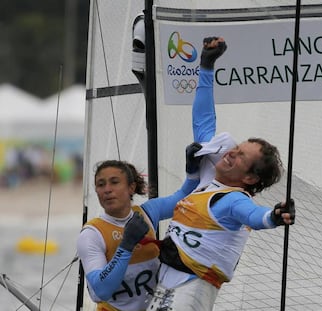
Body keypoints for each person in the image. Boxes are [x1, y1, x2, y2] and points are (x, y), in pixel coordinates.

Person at [146, 37, 296, 311]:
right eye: (236, 148)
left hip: (190, 288)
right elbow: (203, 119)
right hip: (164, 280)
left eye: (240, 156)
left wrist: (274, 217)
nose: (230, 153)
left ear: (249, 178)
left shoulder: (235, 200)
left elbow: (254, 216)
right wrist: (206, 65)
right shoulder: (211, 171)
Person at [76, 153, 201, 311]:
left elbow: (186, 197)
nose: (107, 190)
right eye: (101, 185)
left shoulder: (148, 213)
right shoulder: (91, 234)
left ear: (131, 187)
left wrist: (193, 172)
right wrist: (126, 245)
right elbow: (101, 291)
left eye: (114, 182)